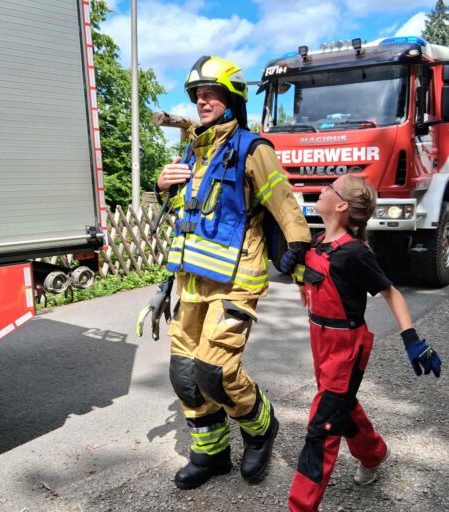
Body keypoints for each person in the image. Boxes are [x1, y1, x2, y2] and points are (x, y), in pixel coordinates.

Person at [155, 56, 312, 490]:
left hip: (237, 278)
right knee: (185, 375)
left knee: (215, 372)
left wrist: (299, 249)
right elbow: (183, 211)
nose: (201, 102)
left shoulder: (252, 148)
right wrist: (161, 187)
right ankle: (212, 454)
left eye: (210, 94)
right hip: (191, 278)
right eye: (197, 96)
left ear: (231, 100)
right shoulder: (192, 149)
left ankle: (261, 427)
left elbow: (281, 200)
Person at [287, 175, 442, 512]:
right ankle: (374, 454)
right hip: (320, 339)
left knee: (321, 427)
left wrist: (413, 340)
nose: (323, 189)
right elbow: (312, 279)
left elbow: (391, 292)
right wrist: (295, 270)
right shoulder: (317, 242)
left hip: (346, 347)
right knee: (342, 406)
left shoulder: (355, 253)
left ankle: (301, 506)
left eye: (330, 188)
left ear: (341, 206)